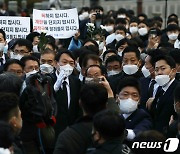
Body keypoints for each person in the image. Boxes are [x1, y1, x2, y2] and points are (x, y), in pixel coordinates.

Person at [54, 81, 119, 154]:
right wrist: (110, 94)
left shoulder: (68, 136)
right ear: (106, 104)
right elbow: (116, 115)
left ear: (80, 103)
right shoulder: (116, 129)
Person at [53, 50, 82, 138]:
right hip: (54, 129)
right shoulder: (48, 80)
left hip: (72, 131)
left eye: (71, 63)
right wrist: (56, 87)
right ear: (56, 63)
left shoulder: (76, 82)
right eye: (64, 62)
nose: (68, 66)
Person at [116, 77, 152, 141]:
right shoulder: (112, 114)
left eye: (134, 95)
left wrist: (123, 132)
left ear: (139, 100)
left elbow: (139, 133)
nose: (130, 98)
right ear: (117, 98)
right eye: (125, 94)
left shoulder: (142, 116)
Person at [150, 55, 179, 133]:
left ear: (173, 71)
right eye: (156, 70)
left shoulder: (178, 89)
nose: (159, 72)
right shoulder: (159, 89)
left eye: (163, 69)